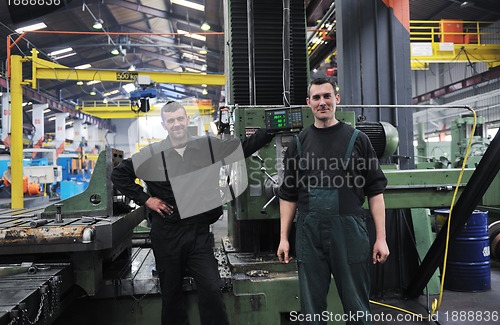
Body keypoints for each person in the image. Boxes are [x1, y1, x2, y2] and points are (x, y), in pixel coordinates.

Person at [111, 102, 274, 325]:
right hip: (167, 234)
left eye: (180, 119)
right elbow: (120, 175)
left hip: (198, 234)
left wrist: (270, 131)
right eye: (171, 121)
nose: (176, 124)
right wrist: (147, 199)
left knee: (211, 289)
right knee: (171, 295)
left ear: (187, 120)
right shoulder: (152, 154)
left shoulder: (206, 147)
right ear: (164, 125)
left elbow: (241, 148)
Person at [276, 78, 390, 325]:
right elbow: (288, 194)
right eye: (316, 98)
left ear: (337, 99)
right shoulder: (298, 143)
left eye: (327, 96)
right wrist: (284, 238)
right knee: (311, 310)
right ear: (309, 104)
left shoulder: (359, 140)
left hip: (349, 234)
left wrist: (381, 238)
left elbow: (376, 192)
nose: (322, 102)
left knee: (357, 306)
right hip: (309, 233)